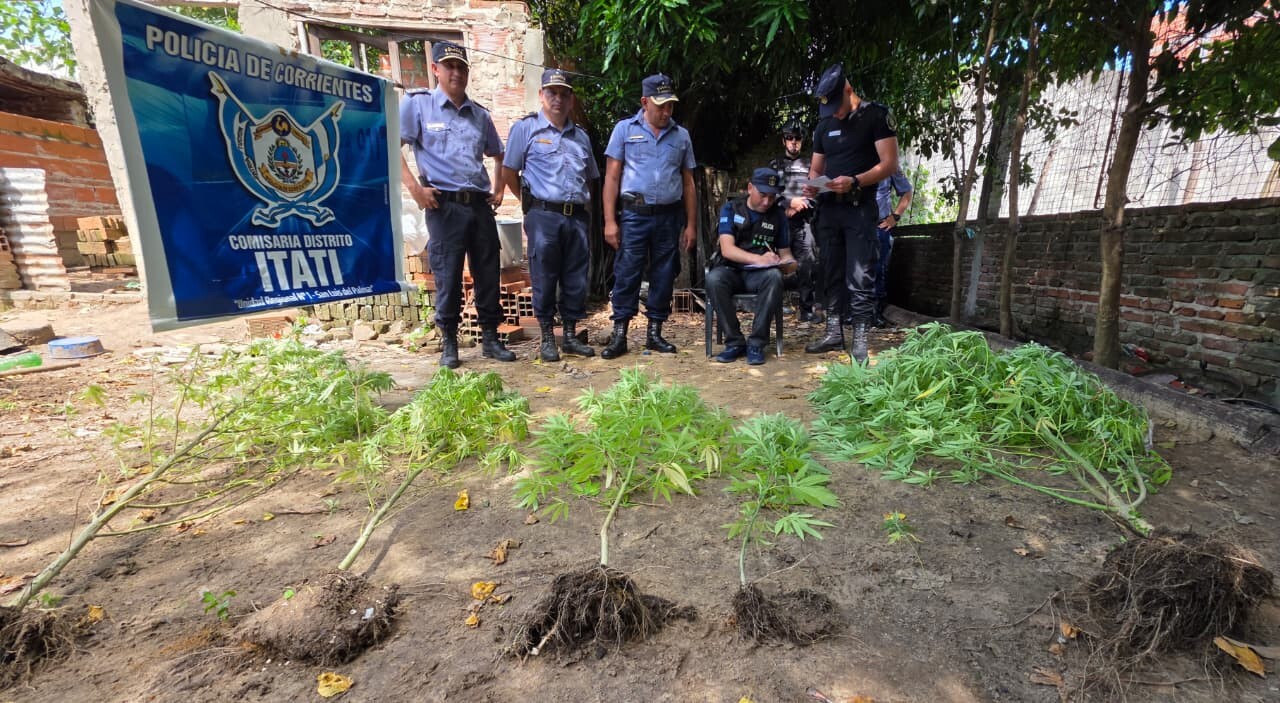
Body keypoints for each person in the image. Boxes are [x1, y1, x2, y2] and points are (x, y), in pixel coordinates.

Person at [399, 41, 515, 369]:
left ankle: (491, 338)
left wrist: (499, 189)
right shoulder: (418, 106)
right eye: (449, 66)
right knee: (448, 274)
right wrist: (415, 191)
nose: (456, 72)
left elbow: (498, 153)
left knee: (488, 272)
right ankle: (449, 342)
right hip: (444, 207)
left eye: (461, 67)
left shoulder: (480, 115)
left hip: (479, 206)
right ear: (435, 69)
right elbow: (393, 147)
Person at [499, 68, 599, 362]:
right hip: (543, 215)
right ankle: (546, 338)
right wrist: (528, 204)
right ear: (541, 95)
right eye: (552, 93)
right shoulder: (526, 129)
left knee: (575, 278)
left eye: (564, 94)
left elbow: (590, 176)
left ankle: (569, 336)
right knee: (544, 277)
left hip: (577, 216)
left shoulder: (581, 136)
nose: (558, 99)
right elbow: (508, 172)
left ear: (571, 99)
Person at [803, 63, 899, 363]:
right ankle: (833, 332)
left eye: (837, 105)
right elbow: (816, 168)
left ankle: (859, 337)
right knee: (830, 271)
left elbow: (889, 164)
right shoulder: (824, 126)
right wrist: (812, 186)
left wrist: (855, 180)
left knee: (861, 273)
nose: (835, 113)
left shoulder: (877, 116)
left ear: (848, 89)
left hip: (859, 208)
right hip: (829, 210)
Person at [600, 73, 698, 359]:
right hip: (634, 215)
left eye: (670, 106)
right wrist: (609, 221)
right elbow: (612, 177)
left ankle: (655, 333)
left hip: (669, 216)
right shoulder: (623, 130)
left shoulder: (681, 136)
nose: (667, 111)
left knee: (665, 274)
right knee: (626, 272)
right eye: (661, 106)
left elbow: (689, 182)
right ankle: (620, 334)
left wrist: (691, 225)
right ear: (645, 102)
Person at [706, 168, 796, 365]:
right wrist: (759, 259)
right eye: (763, 195)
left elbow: (786, 253)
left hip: (759, 276)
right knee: (713, 279)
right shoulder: (731, 208)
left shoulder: (778, 215)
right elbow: (727, 249)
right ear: (750, 188)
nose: (767, 202)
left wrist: (788, 264)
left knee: (774, 277)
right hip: (731, 270)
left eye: (772, 197)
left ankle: (756, 343)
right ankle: (734, 342)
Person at [770, 117, 822, 323]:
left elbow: (818, 193)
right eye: (789, 138)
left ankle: (806, 309)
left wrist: (801, 205)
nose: (793, 142)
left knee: (807, 265)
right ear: (784, 141)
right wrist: (788, 204)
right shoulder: (774, 164)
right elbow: (768, 193)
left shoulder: (811, 165)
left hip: (803, 223)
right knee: (774, 263)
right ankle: (775, 305)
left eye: (797, 138)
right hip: (779, 223)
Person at [874, 168, 913, 328]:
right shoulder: (857, 157)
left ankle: (876, 312)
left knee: (878, 269)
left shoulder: (890, 165)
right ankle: (852, 312)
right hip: (856, 227)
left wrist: (895, 217)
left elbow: (907, 191)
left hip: (880, 226)